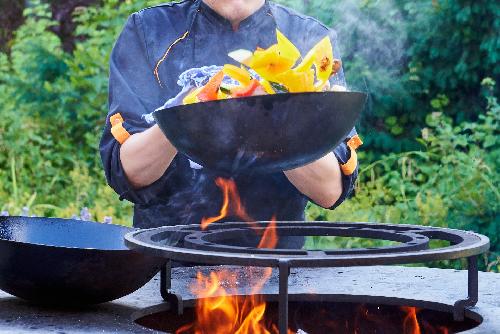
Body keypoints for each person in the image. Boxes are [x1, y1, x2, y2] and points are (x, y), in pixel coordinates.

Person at [99, 0, 360, 230]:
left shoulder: (308, 37)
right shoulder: (149, 30)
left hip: (274, 267)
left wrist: (277, 116)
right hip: (165, 262)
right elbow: (126, 171)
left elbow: (330, 190)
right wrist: (185, 113)